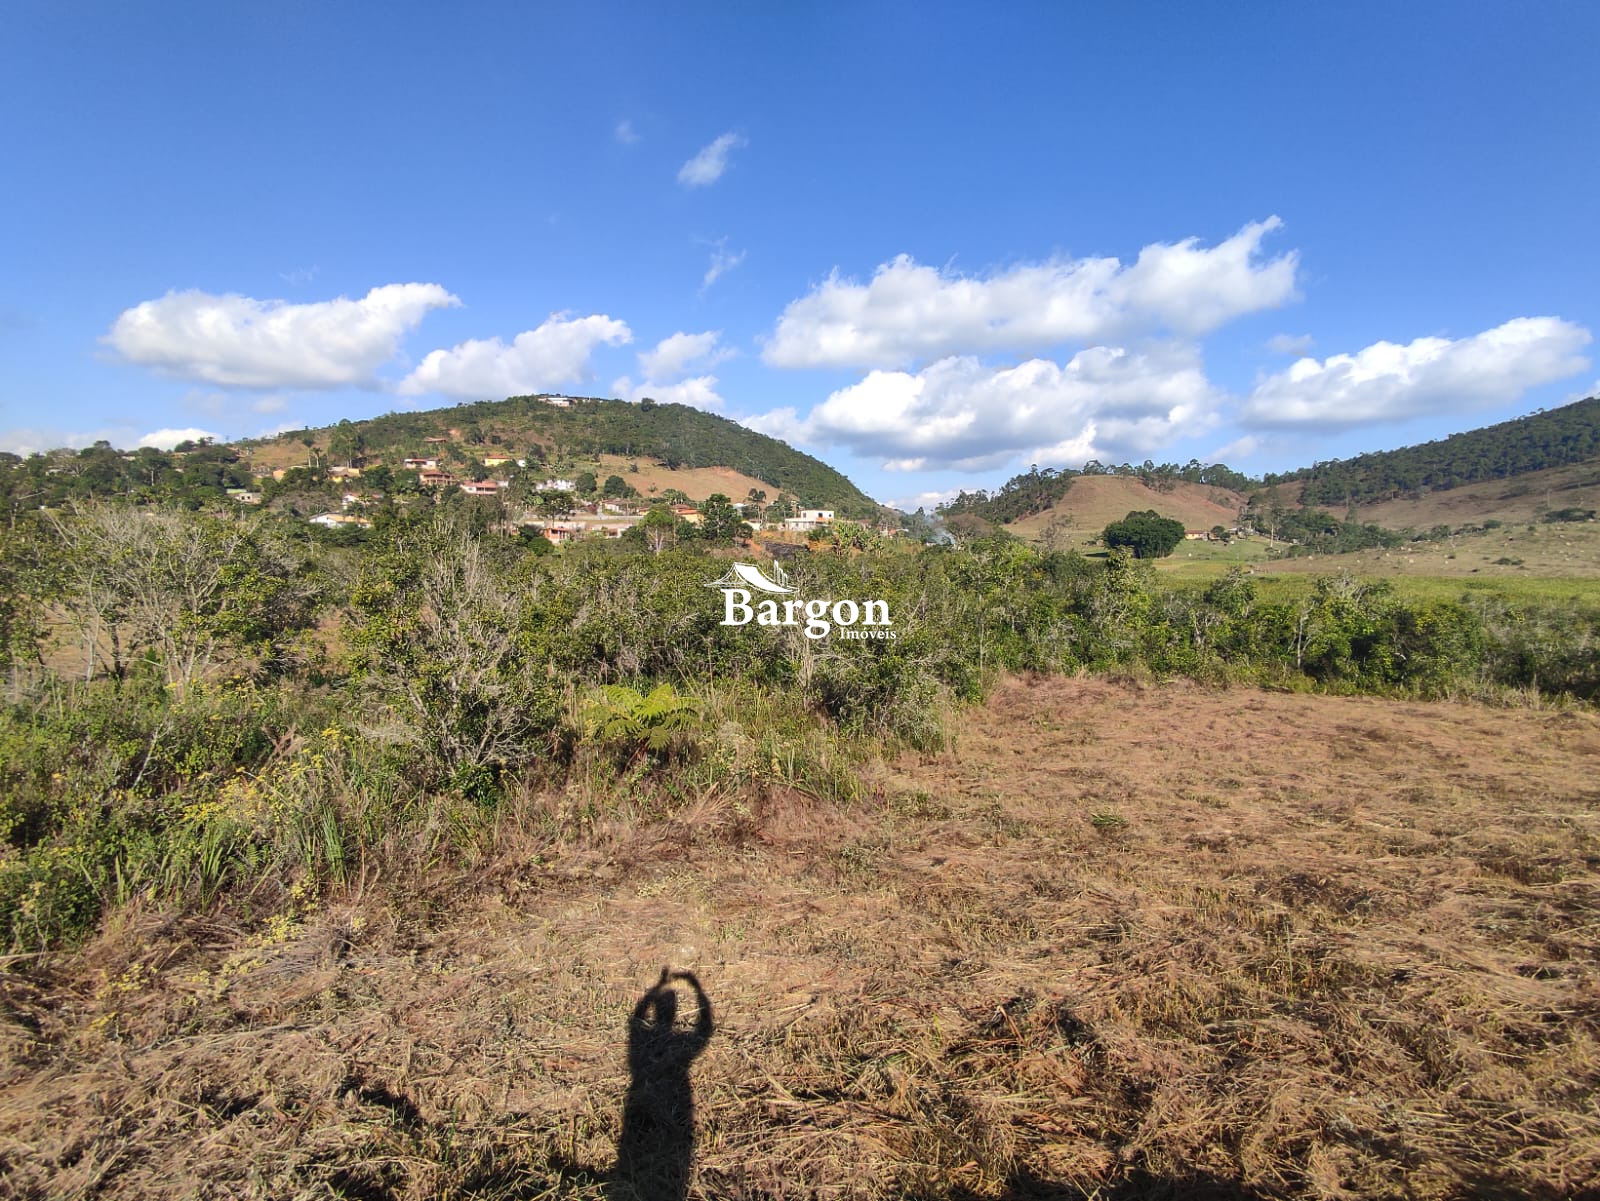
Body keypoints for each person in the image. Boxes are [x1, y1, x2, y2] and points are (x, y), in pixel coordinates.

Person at [611, 968, 713, 1201]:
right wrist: (697, 990)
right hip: (676, 1099)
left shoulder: (641, 1040)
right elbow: (704, 1030)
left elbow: (636, 1020)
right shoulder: (682, 1045)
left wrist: (656, 988)